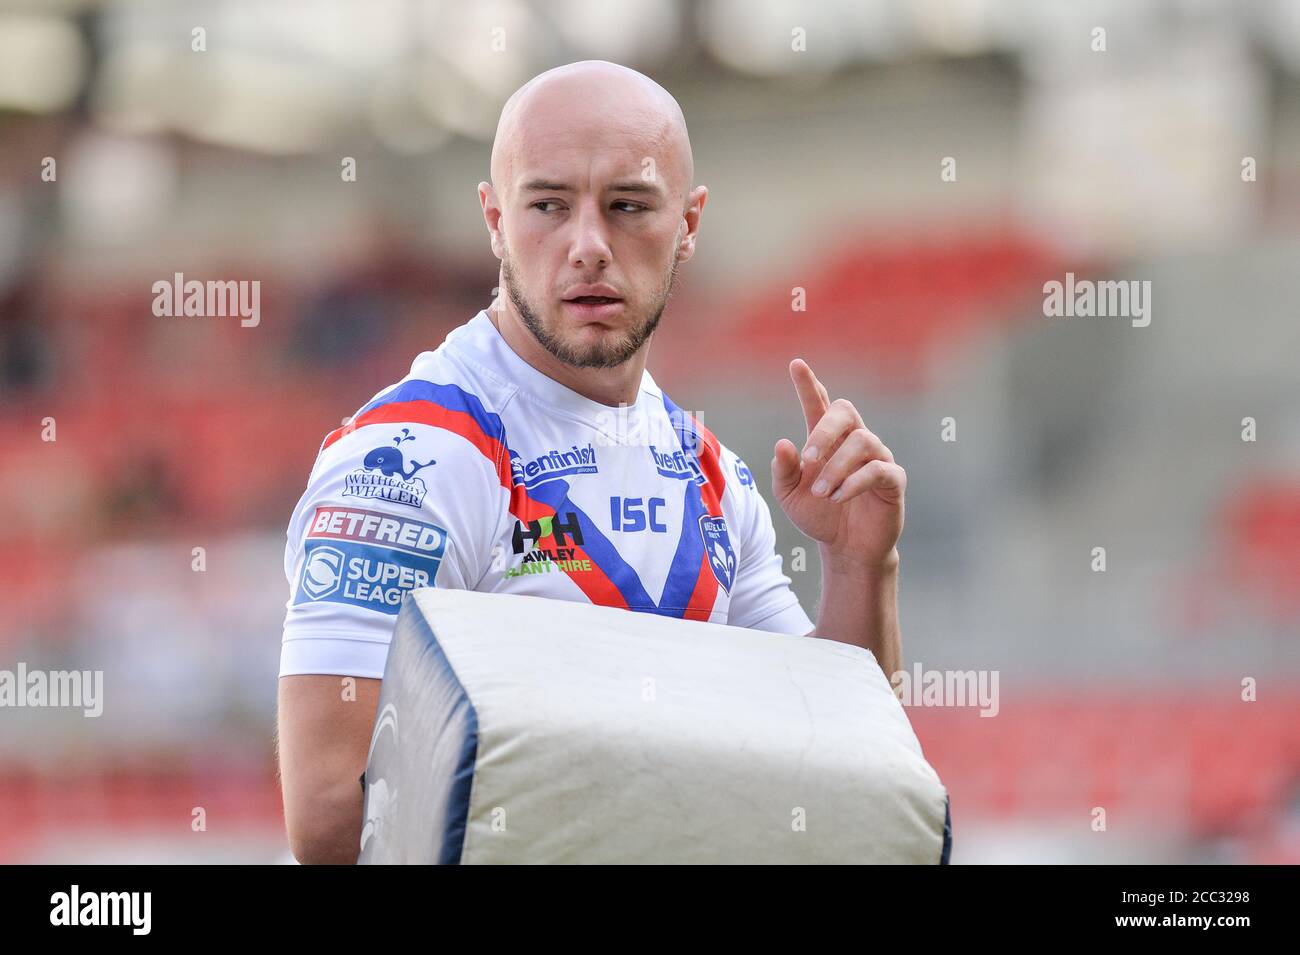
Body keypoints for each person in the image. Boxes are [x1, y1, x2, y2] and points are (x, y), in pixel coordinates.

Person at [276, 60, 907, 864]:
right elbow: (334, 818)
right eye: (548, 205)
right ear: (495, 219)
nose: (587, 247)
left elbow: (845, 778)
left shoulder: (713, 476)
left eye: (628, 206)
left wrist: (859, 567)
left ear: (689, 224)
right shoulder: (409, 459)